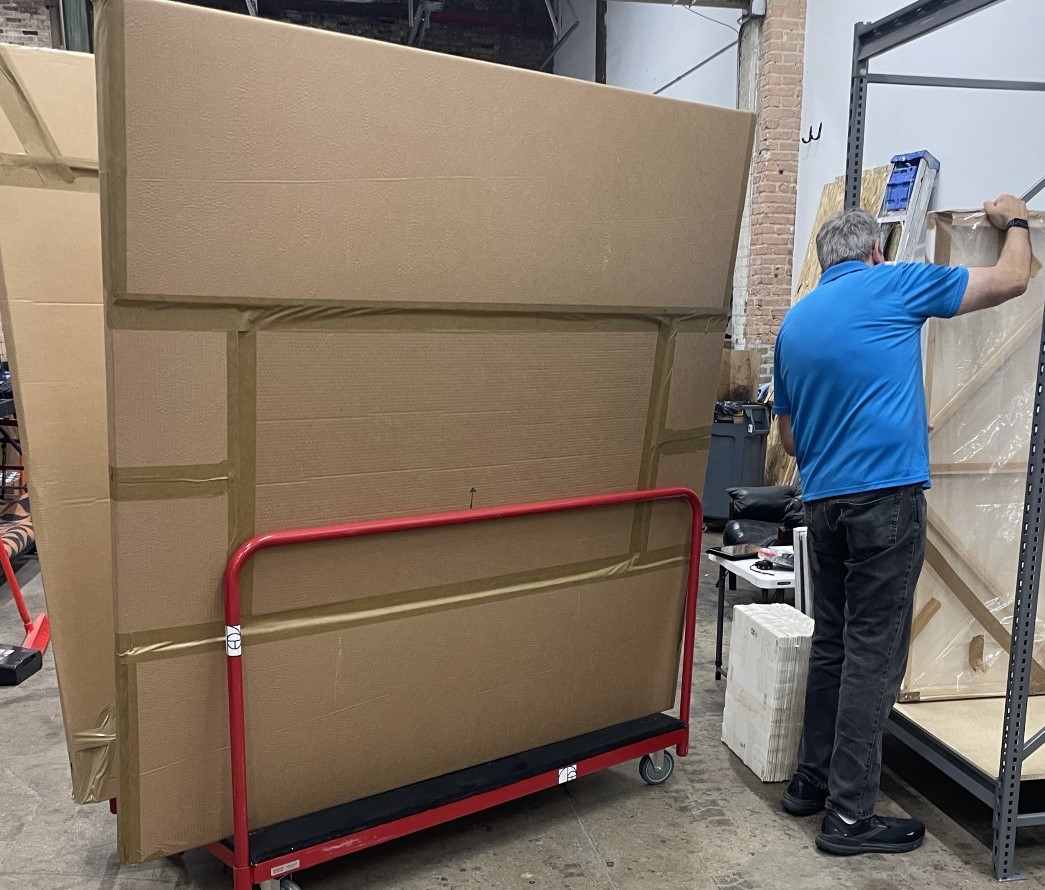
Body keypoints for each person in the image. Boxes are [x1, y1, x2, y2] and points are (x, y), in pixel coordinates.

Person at [773, 195, 1032, 856]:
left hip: (823, 504)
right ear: (872, 253)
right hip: (883, 499)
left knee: (832, 642)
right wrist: (1016, 222)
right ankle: (850, 816)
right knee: (871, 654)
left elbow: (791, 441)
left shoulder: (794, 325)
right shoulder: (893, 283)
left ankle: (810, 782)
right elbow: (1010, 279)